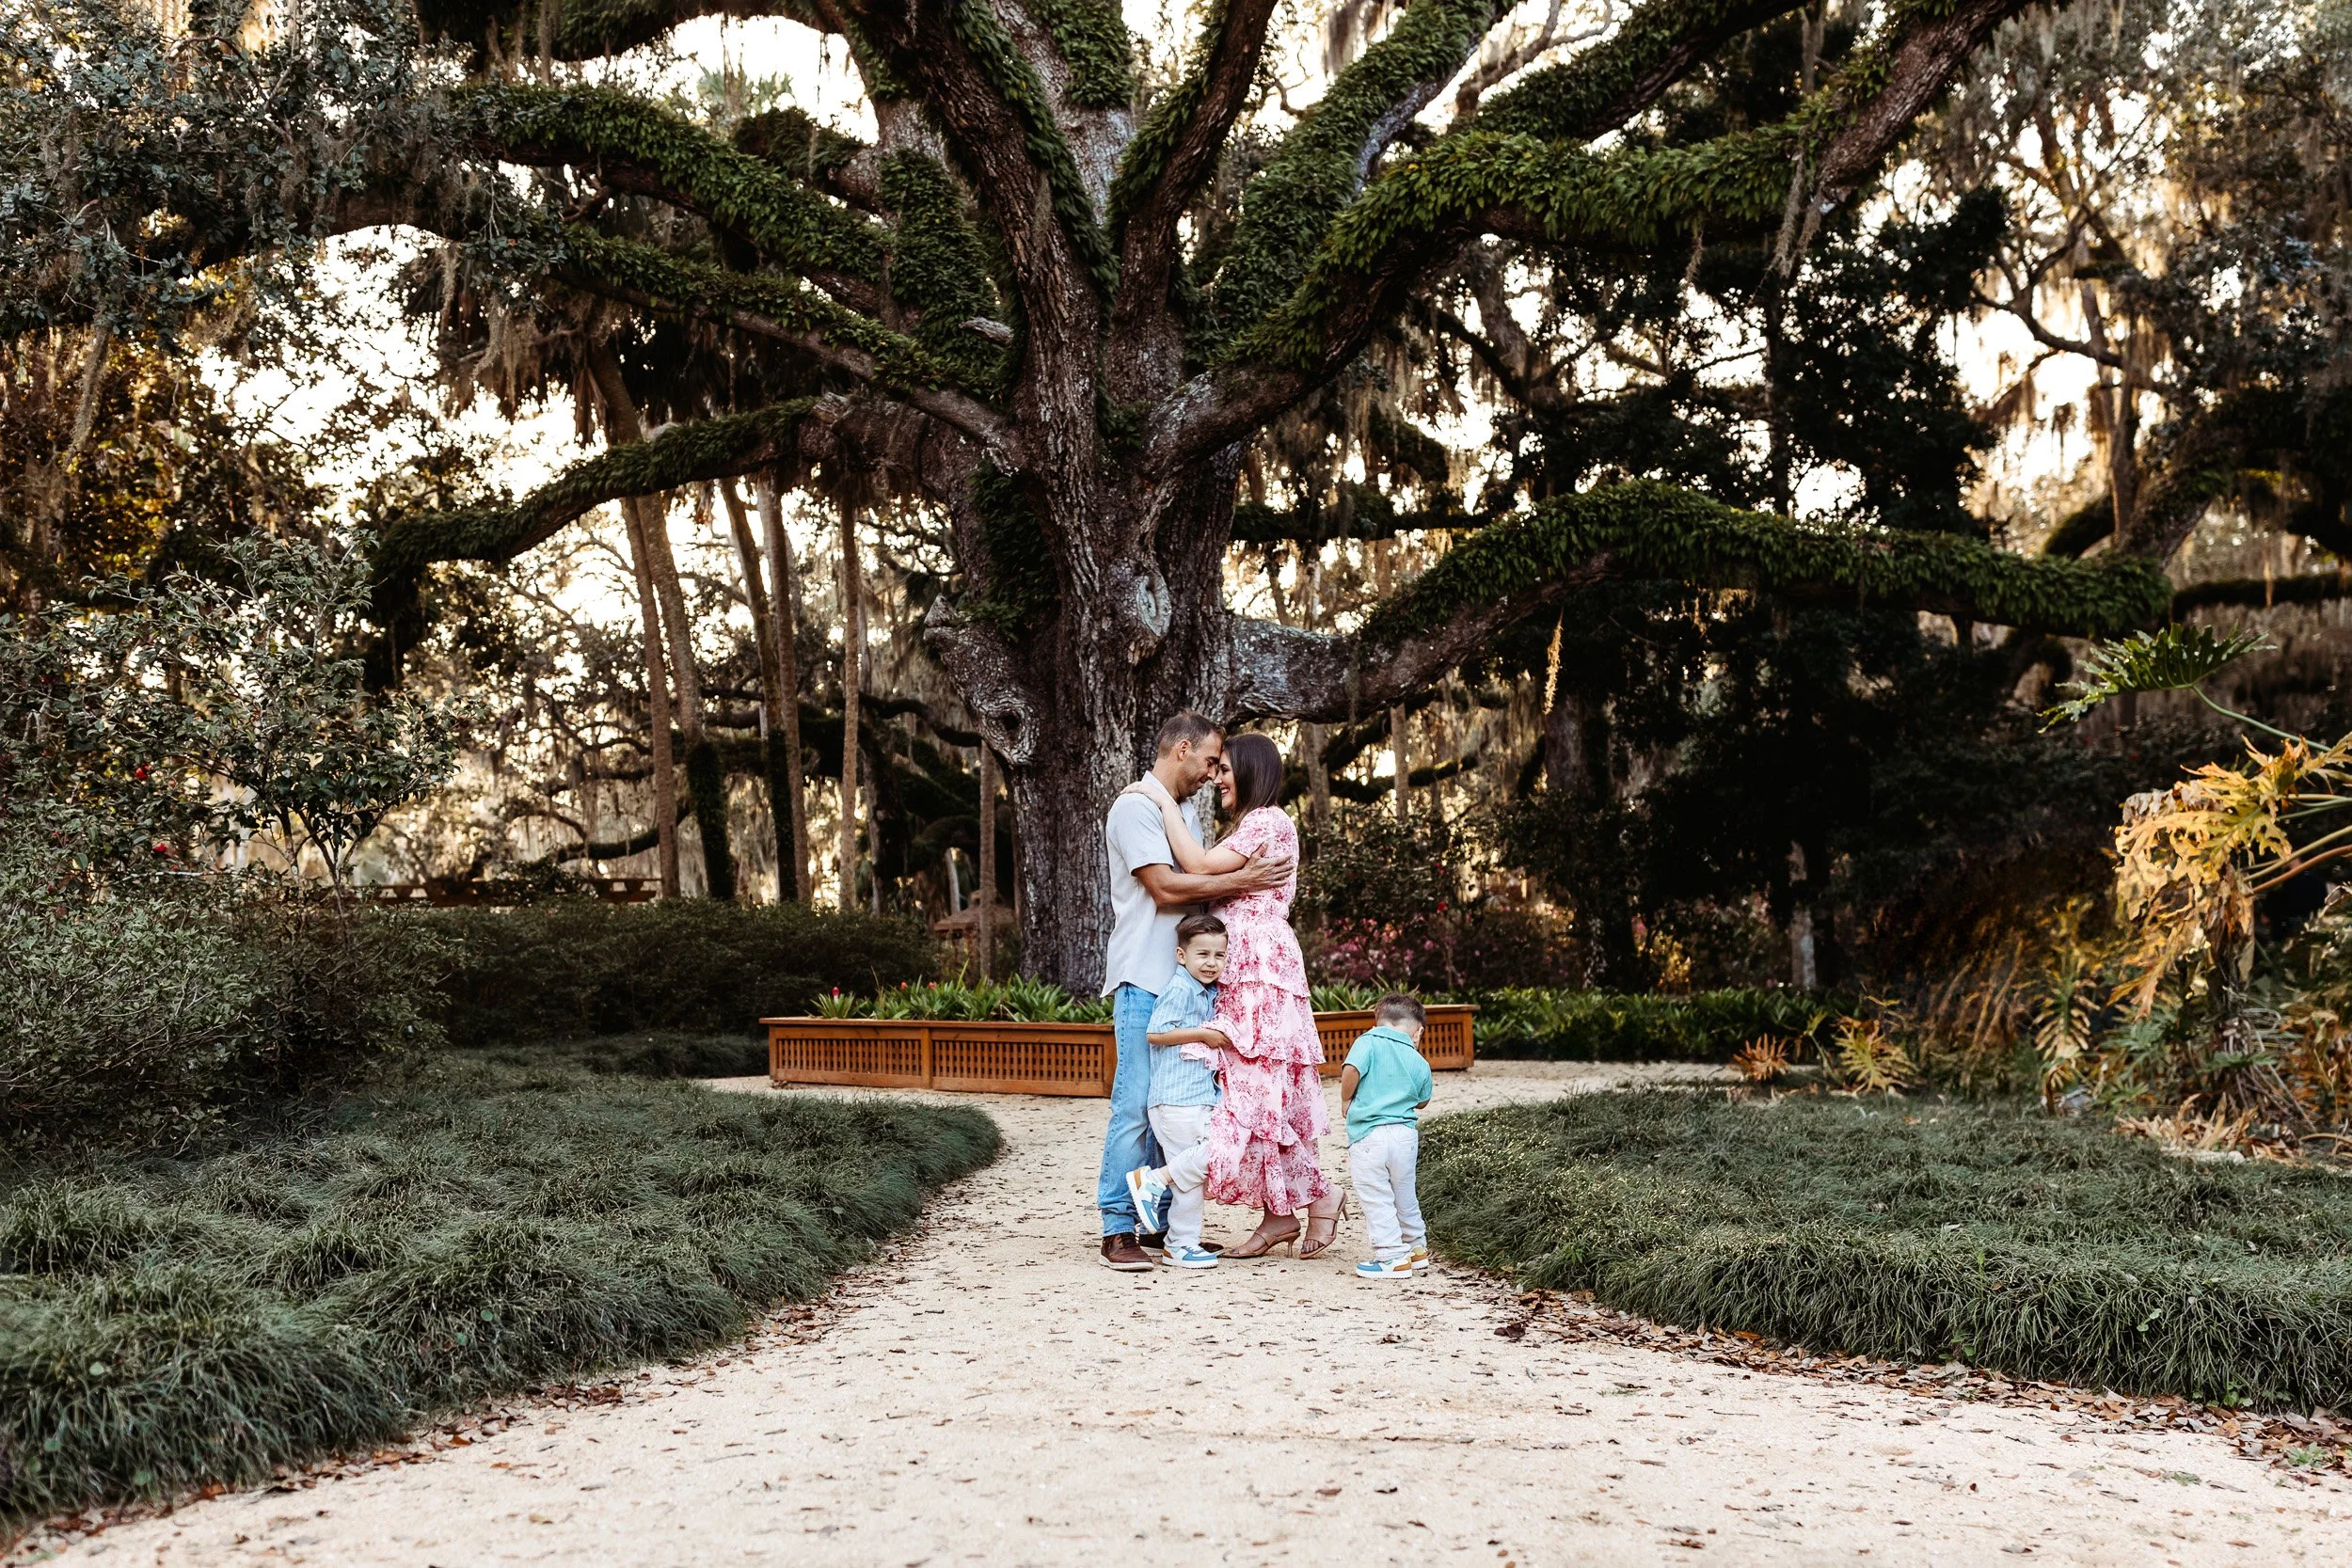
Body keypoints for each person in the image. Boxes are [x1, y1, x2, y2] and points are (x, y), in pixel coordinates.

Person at [1128, 731, 1344, 1259]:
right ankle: (1280, 1215)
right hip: (1246, 966)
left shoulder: (1267, 820)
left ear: (1249, 770)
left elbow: (1197, 867)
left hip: (1259, 971)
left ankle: (1320, 1197)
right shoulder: (1255, 825)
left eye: (1224, 769)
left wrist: (1158, 797)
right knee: (1261, 1093)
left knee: (1256, 1090)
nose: (1217, 778)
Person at [1097, 712, 1292, 1272]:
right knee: (1135, 1105)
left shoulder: (1182, 811)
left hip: (1191, 982)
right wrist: (1243, 880)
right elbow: (1163, 888)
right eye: (1210, 761)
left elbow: (1201, 882)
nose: (1214, 774)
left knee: (1176, 1108)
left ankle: (1160, 1221)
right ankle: (1117, 1228)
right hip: (1146, 979)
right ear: (1182, 749)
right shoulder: (1136, 805)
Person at [1123, 913, 1228, 1269]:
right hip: (1174, 1098)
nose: (1212, 963)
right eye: (1203, 954)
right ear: (1182, 956)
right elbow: (1155, 1033)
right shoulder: (1180, 988)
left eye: (1219, 955)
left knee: (1204, 1163)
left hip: (1197, 1096)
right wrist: (1203, 1034)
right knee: (1193, 1176)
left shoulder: (1206, 991)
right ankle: (1181, 1243)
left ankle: (1172, 1223)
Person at [1341, 992, 1435, 1279]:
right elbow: (1422, 1100)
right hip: (1405, 1136)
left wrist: (1347, 1100)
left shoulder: (1367, 1042)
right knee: (1404, 1193)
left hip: (1369, 1135)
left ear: (1377, 1021)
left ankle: (1392, 1257)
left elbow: (1351, 1070)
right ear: (1418, 1031)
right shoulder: (1419, 1060)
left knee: (1376, 1196)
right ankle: (1415, 1248)